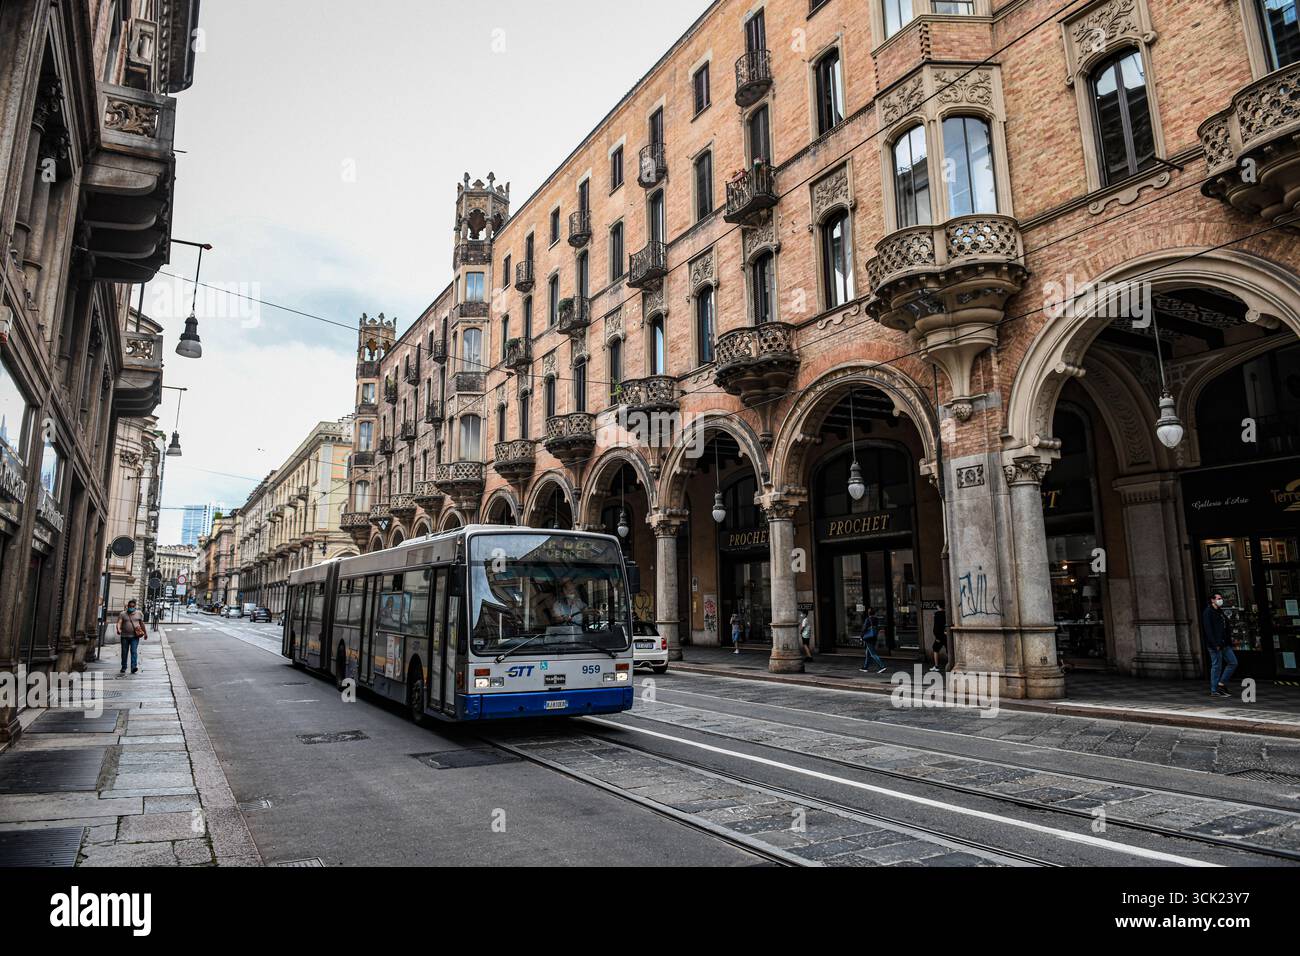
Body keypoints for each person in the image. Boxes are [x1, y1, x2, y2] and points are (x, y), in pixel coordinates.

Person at [1203, 592, 1236, 698]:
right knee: (1216, 666)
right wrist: (1215, 644)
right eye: (1218, 598)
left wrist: (1229, 641)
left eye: (1221, 598)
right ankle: (1214, 690)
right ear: (1212, 600)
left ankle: (1221, 684)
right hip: (1215, 645)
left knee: (1233, 662)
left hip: (1225, 643)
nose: (1220, 600)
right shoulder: (1208, 612)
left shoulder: (1220, 611)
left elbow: (1225, 627)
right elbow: (1208, 630)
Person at [117, 599, 146, 675]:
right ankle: (124, 667)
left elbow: (142, 624)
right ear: (127, 606)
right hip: (124, 636)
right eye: (130, 606)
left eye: (132, 606)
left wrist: (145, 633)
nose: (131, 607)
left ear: (135, 606)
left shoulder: (139, 613)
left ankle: (133, 667)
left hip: (135, 637)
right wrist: (118, 629)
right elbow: (119, 622)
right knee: (124, 652)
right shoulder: (123, 614)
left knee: (134, 651)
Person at [859, 606, 887, 674]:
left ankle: (882, 666)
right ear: (874, 613)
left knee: (873, 653)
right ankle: (865, 667)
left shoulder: (868, 619)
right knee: (868, 653)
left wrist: (861, 636)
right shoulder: (876, 619)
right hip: (874, 637)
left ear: (868, 613)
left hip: (868, 638)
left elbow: (864, 629)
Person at [930, 600, 947, 673]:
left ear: (938, 606)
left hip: (939, 636)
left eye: (937, 605)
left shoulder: (937, 614)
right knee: (949, 650)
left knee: (935, 649)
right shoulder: (947, 613)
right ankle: (951, 664)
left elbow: (936, 627)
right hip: (946, 635)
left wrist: (937, 637)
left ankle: (936, 666)